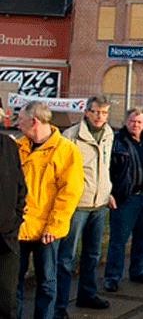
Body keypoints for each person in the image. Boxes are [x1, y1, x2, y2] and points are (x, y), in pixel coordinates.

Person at [16, 101, 84, 319]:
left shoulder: (66, 151)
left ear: (34, 121)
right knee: (13, 281)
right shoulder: (18, 147)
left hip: (47, 231)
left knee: (46, 281)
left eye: (20, 120)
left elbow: (70, 193)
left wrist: (54, 226)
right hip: (19, 227)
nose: (17, 124)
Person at [56, 96, 115, 316]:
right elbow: (61, 170)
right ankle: (59, 305)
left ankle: (87, 294)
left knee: (93, 254)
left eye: (104, 112)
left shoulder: (109, 134)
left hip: (100, 204)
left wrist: (108, 192)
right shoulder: (71, 136)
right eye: (96, 112)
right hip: (77, 205)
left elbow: (105, 167)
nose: (100, 116)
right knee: (66, 257)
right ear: (87, 112)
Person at [105, 108, 143, 293]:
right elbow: (108, 168)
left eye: (139, 122)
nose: (136, 125)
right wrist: (111, 192)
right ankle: (112, 277)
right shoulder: (117, 141)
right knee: (119, 240)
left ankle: (138, 270)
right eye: (132, 121)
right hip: (126, 198)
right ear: (126, 122)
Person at [1, 133, 26, 318]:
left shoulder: (8, 145)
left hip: (6, 237)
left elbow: (20, 187)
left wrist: (14, 221)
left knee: (7, 299)